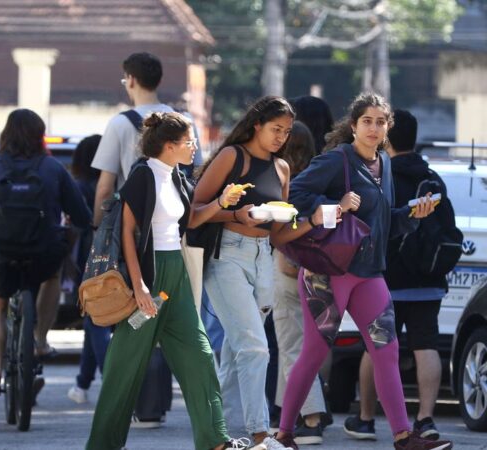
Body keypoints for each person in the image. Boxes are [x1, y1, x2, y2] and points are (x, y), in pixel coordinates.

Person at [274, 93, 452, 450]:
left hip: (369, 273)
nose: (374, 128)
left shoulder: (384, 164)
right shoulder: (337, 160)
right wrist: (334, 206)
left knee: (387, 349)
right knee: (313, 351)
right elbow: (293, 199)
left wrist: (413, 216)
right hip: (327, 271)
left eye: (380, 122)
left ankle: (403, 436)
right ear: (353, 125)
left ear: (388, 129)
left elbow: (384, 224)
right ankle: (284, 434)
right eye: (367, 121)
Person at [87, 111, 246, 450]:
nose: (194, 147)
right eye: (189, 142)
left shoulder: (176, 175)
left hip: (175, 273)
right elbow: (128, 231)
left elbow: (190, 220)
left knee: (200, 356)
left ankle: (215, 440)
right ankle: (101, 444)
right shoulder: (143, 175)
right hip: (150, 274)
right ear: (169, 145)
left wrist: (221, 202)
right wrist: (140, 285)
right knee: (123, 366)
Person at [193, 96, 308, 449]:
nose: (281, 138)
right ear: (256, 124)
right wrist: (234, 215)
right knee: (256, 348)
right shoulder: (232, 156)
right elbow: (195, 209)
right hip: (226, 255)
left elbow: (279, 231)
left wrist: (313, 223)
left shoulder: (282, 168)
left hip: (264, 259)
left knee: (235, 351)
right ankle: (261, 434)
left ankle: (222, 434)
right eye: (276, 129)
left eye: (286, 133)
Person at [0, 108, 91, 402]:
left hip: (2, 251)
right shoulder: (52, 168)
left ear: (6, 135)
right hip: (43, 252)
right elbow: (81, 214)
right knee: (53, 275)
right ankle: (40, 341)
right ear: (39, 136)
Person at [346, 109, 448, 442]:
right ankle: (426, 419)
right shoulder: (432, 178)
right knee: (426, 344)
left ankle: (365, 418)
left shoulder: (379, 174)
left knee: (375, 347)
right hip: (427, 280)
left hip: (385, 278)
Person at [91, 51, 178, 427]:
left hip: (133, 230)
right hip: (173, 232)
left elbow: (106, 186)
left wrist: (98, 230)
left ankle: (136, 403)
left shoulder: (120, 124)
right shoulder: (181, 121)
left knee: (133, 314)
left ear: (129, 79)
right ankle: (156, 403)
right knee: (163, 311)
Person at [269, 121, 327, 445]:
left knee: (292, 346)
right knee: (306, 345)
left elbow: (278, 231)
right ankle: (285, 411)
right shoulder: (321, 183)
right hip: (320, 272)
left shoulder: (282, 180)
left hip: (286, 269)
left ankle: (312, 417)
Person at [65, 134, 111, 405]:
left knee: (95, 320)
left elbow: (72, 227)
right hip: (117, 257)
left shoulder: (79, 186)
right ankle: (82, 383)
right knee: (92, 319)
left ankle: (109, 378)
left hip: (87, 258)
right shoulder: (115, 183)